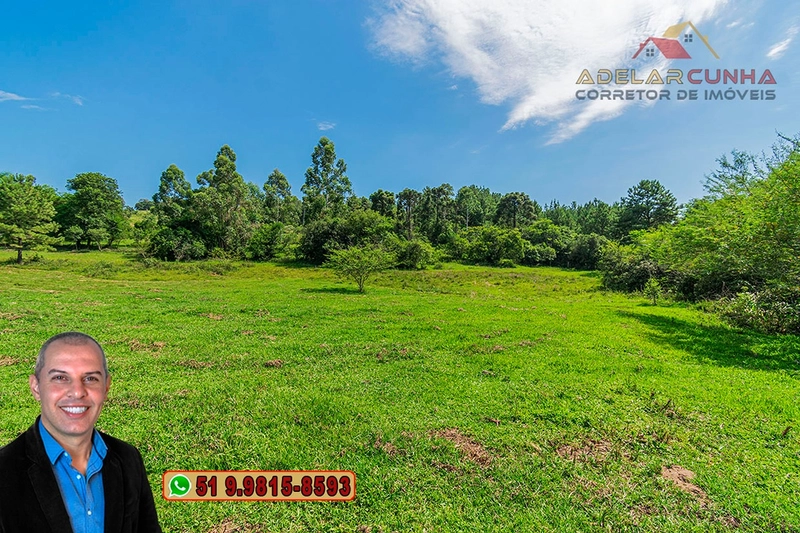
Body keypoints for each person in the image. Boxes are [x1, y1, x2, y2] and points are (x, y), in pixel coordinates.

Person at [0, 331, 162, 533]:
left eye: (91, 378)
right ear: (36, 387)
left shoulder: (128, 459)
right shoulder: (4, 471)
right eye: (60, 377)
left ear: (106, 387)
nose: (77, 392)